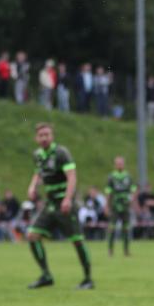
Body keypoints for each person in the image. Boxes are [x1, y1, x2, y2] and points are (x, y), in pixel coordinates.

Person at [25, 123, 94, 289]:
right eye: (41, 135)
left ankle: (88, 279)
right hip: (50, 203)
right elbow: (38, 172)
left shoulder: (61, 153)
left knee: (77, 240)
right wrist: (32, 186)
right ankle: (46, 275)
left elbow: (72, 177)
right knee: (33, 236)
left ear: (52, 136)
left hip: (64, 201)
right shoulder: (38, 155)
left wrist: (68, 199)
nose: (44, 138)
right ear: (36, 138)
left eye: (47, 134)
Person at [105, 156, 137, 256]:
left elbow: (134, 190)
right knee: (112, 228)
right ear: (115, 165)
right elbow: (108, 192)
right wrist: (107, 205)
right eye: (117, 163)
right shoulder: (111, 177)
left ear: (124, 164)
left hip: (125, 205)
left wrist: (132, 201)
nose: (119, 165)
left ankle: (126, 251)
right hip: (115, 205)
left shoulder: (128, 176)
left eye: (121, 163)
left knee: (126, 228)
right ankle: (110, 251)